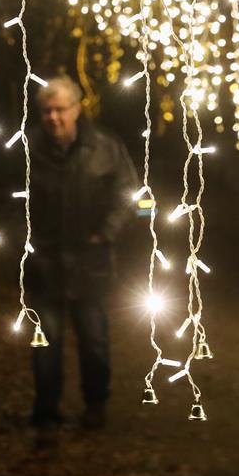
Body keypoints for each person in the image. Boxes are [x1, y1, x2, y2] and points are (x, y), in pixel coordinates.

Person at [25, 76, 138, 439]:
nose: (53, 117)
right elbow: (12, 200)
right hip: (45, 264)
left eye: (60, 109)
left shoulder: (104, 146)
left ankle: (95, 404)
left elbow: (127, 192)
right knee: (46, 346)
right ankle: (46, 412)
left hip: (90, 264)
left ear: (77, 109)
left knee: (94, 341)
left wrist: (105, 232)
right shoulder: (30, 149)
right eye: (47, 111)